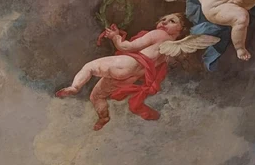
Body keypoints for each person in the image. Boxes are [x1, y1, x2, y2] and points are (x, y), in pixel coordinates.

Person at [56, 14, 218, 129]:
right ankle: (103, 117)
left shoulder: (159, 34)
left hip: (127, 65)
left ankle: (74, 87)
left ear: (181, 30)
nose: (164, 22)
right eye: (163, 19)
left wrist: (115, 37)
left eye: (171, 21)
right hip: (132, 76)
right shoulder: (170, 50)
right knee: (96, 95)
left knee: (89, 67)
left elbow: (127, 47)